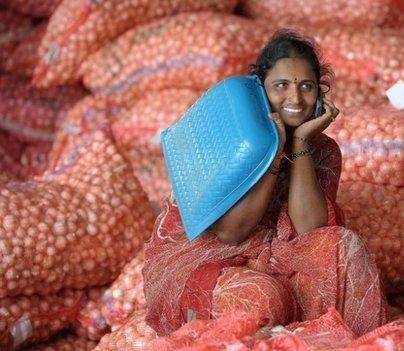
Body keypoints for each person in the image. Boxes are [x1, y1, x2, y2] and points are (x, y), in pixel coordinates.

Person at [142, 30, 388, 336]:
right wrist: (272, 152)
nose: (295, 99)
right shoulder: (234, 136)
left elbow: (311, 230)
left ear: (320, 94)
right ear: (259, 91)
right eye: (281, 86)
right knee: (262, 298)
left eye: (307, 87)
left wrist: (298, 143)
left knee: (345, 247)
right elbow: (232, 232)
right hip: (210, 257)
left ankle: (353, 343)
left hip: (277, 255)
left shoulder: (322, 150)